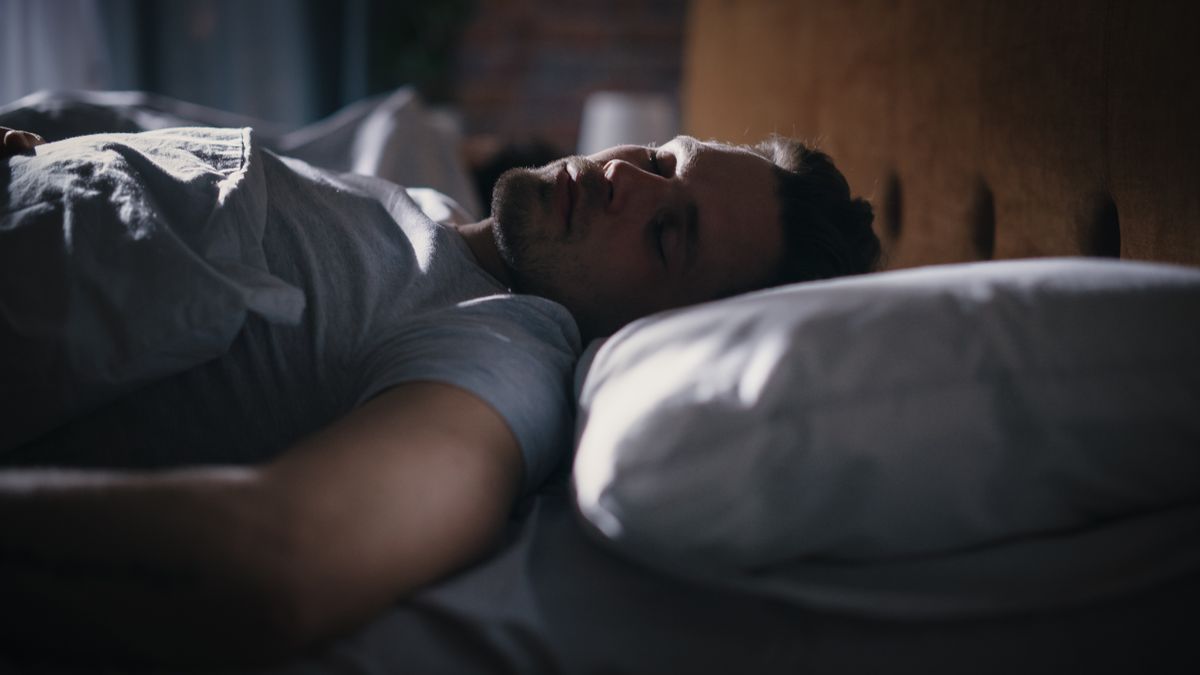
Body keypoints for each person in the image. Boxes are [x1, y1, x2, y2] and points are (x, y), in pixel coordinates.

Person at [0, 121, 878, 665]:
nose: (624, 179)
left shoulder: (502, 348)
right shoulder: (422, 212)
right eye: (658, 159)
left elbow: (285, 561)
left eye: (665, 233)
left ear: (648, 333)